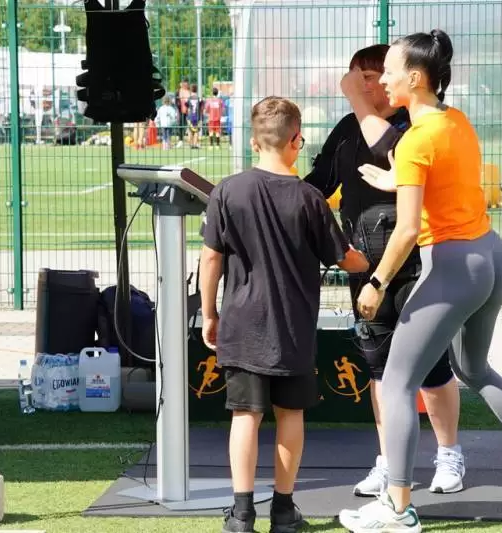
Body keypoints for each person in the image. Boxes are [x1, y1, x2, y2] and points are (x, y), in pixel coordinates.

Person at [337, 30, 502, 532]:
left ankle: (398, 508)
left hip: (454, 267)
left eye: (390, 71)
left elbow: (406, 231)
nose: (384, 80)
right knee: (473, 367)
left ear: (414, 78)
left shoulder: (415, 138)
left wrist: (376, 283)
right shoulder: (455, 120)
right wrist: (396, 179)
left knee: (397, 382)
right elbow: (441, 179)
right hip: (491, 256)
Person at [200, 96, 369, 533]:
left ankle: (241, 514)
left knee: (245, 416)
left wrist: (209, 313)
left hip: (241, 324)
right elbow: (345, 258)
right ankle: (283, 510)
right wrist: (375, 260)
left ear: (254, 142)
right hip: (293, 328)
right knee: (291, 415)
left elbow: (211, 258)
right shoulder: (310, 199)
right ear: (296, 140)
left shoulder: (227, 191)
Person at [304, 44, 465, 498]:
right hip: (364, 265)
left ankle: (449, 454)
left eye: (369, 77)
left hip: (418, 264)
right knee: (378, 366)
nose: (360, 86)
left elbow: (390, 148)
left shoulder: (416, 124)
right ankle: (388, 460)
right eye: (356, 78)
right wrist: (274, 196)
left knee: (431, 364)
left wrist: (358, 100)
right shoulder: (346, 129)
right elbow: (318, 185)